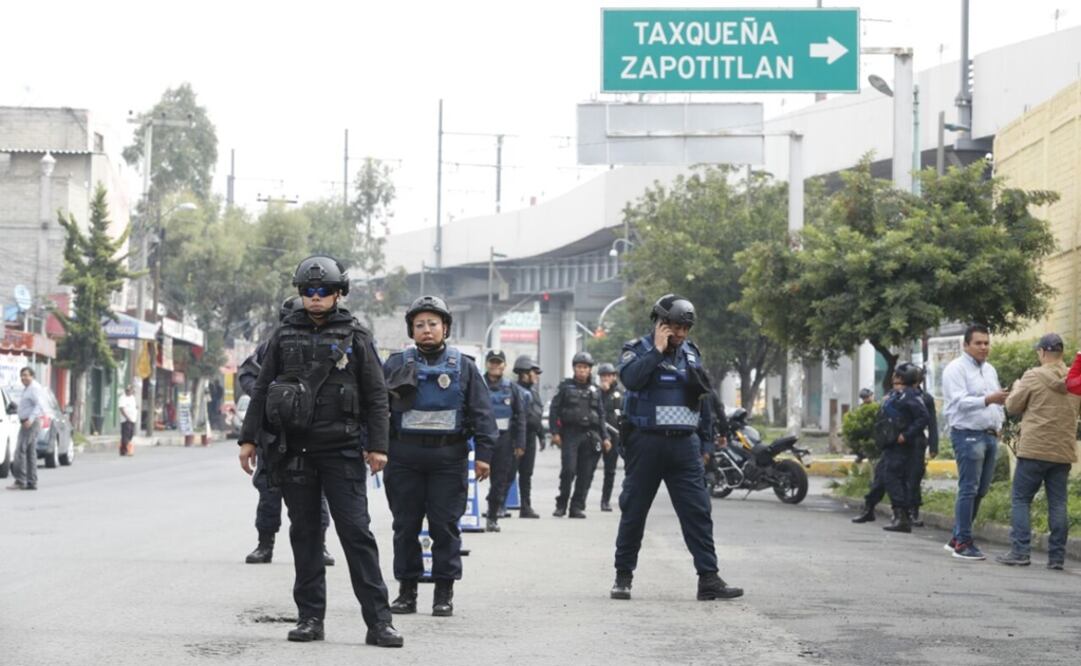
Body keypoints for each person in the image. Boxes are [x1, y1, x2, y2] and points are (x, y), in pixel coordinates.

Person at [237, 255, 402, 648]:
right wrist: (248, 439)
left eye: (323, 291)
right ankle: (310, 618)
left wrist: (378, 446)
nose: (315, 297)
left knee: (356, 534)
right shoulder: (282, 335)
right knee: (306, 534)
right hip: (295, 451)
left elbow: (377, 395)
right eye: (308, 291)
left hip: (342, 451)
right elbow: (261, 389)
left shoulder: (356, 337)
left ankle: (379, 622)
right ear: (300, 293)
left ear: (338, 293)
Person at [610, 295, 741, 602]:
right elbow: (631, 380)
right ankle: (623, 577)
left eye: (685, 328)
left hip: (685, 447)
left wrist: (706, 441)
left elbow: (703, 398)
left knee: (698, 511)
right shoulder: (637, 351)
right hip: (646, 443)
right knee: (634, 512)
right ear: (660, 323)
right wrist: (656, 351)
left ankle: (709, 579)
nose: (681, 334)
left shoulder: (691, 355)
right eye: (675, 327)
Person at [382, 295, 497, 618]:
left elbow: (482, 413)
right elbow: (376, 410)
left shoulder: (465, 367)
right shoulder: (393, 364)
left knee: (444, 526)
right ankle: (407, 591)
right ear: (412, 331)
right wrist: (373, 447)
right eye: (420, 325)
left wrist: (484, 454)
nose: (427, 330)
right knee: (405, 526)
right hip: (404, 458)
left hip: (449, 459)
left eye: (433, 324)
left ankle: (444, 592)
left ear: (445, 328)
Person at [237, 296, 334, 567]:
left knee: (318, 492)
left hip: (315, 432)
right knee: (269, 490)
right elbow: (247, 375)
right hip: (275, 432)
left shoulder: (330, 343)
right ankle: (264, 544)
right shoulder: (273, 345)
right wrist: (273, 395)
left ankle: (320, 546)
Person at [997, 333, 1080, 569]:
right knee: (1058, 503)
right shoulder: (1074, 380)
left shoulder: (1032, 376)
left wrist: (1015, 389)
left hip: (1034, 449)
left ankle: (1020, 552)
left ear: (1042, 352)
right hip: (1062, 451)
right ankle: (1056, 558)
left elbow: (1013, 406)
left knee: (1021, 499)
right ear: (1061, 353)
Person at [941, 323, 1007, 561]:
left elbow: (998, 399)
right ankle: (963, 543)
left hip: (989, 434)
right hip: (967, 434)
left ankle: (957, 536)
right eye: (978, 343)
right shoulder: (955, 369)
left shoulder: (990, 369)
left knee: (981, 489)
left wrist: (999, 424)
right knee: (968, 488)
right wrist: (989, 399)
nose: (983, 347)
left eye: (986, 343)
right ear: (966, 345)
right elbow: (958, 402)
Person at [851, 365, 936, 528]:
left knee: (894, 478)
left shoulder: (912, 396)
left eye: (897, 376)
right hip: (890, 444)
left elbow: (924, 418)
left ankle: (902, 515)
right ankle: (869, 509)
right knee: (881, 478)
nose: (894, 378)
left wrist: (907, 435)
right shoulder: (896, 394)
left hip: (903, 446)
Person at [549, 351, 607, 518]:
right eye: (579, 367)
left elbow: (601, 415)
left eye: (585, 367)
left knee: (586, 473)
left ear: (590, 370)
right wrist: (554, 432)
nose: (582, 370)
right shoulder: (566, 387)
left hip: (591, 435)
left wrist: (605, 438)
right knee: (568, 470)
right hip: (570, 434)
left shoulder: (595, 390)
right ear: (574, 369)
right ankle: (561, 505)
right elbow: (554, 410)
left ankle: (577, 507)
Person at [482, 349, 527, 532]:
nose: (495, 365)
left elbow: (520, 416)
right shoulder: (478, 384)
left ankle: (492, 516)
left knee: (500, 480)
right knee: (465, 479)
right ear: (487, 364)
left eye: (498, 362)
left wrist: (520, 443)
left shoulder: (511, 388)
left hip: (504, 439)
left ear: (504, 366)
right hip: (481, 438)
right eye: (492, 362)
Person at [907, 367, 939, 527]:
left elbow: (932, 423)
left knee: (914, 477)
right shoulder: (898, 396)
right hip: (898, 443)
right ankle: (900, 510)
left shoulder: (926, 398)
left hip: (917, 443)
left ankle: (913, 511)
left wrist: (934, 446)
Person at [511, 355, 542, 518]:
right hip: (515, 437)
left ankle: (525, 506)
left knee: (526, 474)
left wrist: (542, 436)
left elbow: (536, 416)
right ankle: (498, 506)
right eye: (533, 372)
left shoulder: (534, 393)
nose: (536, 376)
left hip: (530, 437)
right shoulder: (514, 390)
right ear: (524, 373)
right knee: (509, 472)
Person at [7, 367, 44, 491]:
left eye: (26, 375)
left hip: (30, 423)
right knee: (30, 452)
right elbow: (28, 406)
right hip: (26, 422)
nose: (23, 378)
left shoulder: (34, 388)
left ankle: (20, 480)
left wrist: (31, 419)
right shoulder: (28, 389)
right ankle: (31, 481)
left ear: (32, 376)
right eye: (22, 375)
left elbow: (40, 405)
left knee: (20, 450)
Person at [596, 363, 623, 512]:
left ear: (614, 377)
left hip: (613, 435)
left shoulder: (619, 394)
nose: (605, 378)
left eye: (608, 376)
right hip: (596, 434)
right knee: (587, 468)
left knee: (610, 470)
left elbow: (620, 413)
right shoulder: (595, 392)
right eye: (603, 376)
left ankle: (605, 501)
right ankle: (579, 500)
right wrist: (602, 393)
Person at [119, 385, 138, 457]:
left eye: (130, 390)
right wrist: (127, 417)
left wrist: (136, 408)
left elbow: (133, 406)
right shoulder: (123, 398)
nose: (128, 391)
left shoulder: (132, 397)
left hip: (133, 419)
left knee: (130, 434)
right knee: (125, 435)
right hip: (126, 420)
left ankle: (123, 450)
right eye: (127, 390)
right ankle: (127, 449)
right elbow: (121, 409)